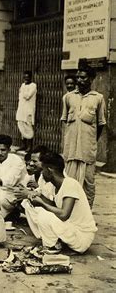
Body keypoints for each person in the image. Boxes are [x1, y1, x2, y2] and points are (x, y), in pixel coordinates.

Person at [21, 151, 97, 253]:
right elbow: (54, 206)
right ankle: (54, 244)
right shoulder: (54, 185)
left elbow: (64, 214)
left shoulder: (70, 184)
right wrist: (39, 197)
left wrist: (42, 203)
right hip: (71, 230)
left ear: (49, 170)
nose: (42, 174)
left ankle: (51, 247)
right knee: (33, 207)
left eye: (43, 170)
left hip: (82, 237)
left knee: (44, 214)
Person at [61, 64, 106, 207]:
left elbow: (101, 124)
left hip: (87, 150)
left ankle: (87, 217)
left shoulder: (98, 98)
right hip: (71, 150)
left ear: (91, 79)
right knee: (68, 182)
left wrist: (91, 141)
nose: (79, 80)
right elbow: (64, 123)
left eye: (83, 77)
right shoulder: (68, 97)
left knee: (88, 184)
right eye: (78, 77)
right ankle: (69, 215)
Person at [16, 71, 37, 152]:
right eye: (24, 77)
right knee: (21, 127)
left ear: (31, 77)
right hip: (21, 109)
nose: (26, 79)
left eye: (27, 77)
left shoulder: (33, 86)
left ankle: (29, 146)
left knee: (28, 127)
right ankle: (23, 145)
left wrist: (23, 89)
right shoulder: (23, 85)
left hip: (28, 110)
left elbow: (27, 96)